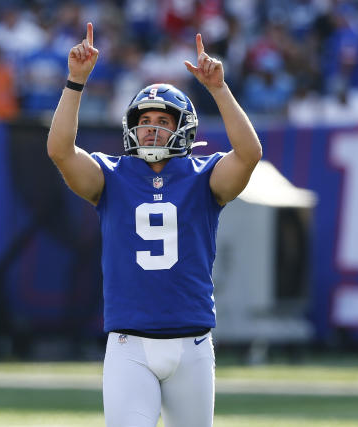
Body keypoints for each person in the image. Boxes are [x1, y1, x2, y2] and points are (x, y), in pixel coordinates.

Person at [47, 23, 262, 427]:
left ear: (183, 126)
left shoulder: (204, 176)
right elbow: (59, 150)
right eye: (143, 119)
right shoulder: (111, 175)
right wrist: (75, 82)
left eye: (162, 119)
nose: (150, 127)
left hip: (192, 341)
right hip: (129, 342)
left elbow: (249, 154)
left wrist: (219, 89)